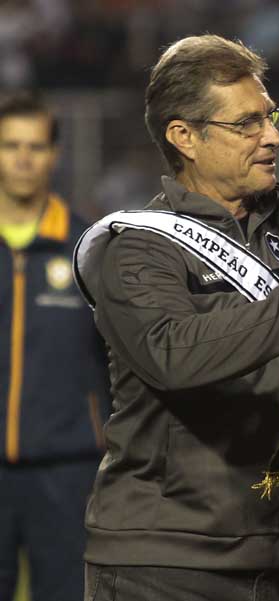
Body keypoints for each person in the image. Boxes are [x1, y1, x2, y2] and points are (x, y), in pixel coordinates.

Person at [74, 35, 279, 601]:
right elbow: (173, 352)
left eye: (269, 116)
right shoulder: (137, 248)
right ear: (184, 137)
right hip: (162, 562)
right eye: (246, 124)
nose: (272, 136)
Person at [0, 93, 111, 601]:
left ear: (55, 155)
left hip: (68, 472)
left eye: (36, 146)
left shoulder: (87, 248)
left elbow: (118, 360)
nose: (23, 158)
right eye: (10, 145)